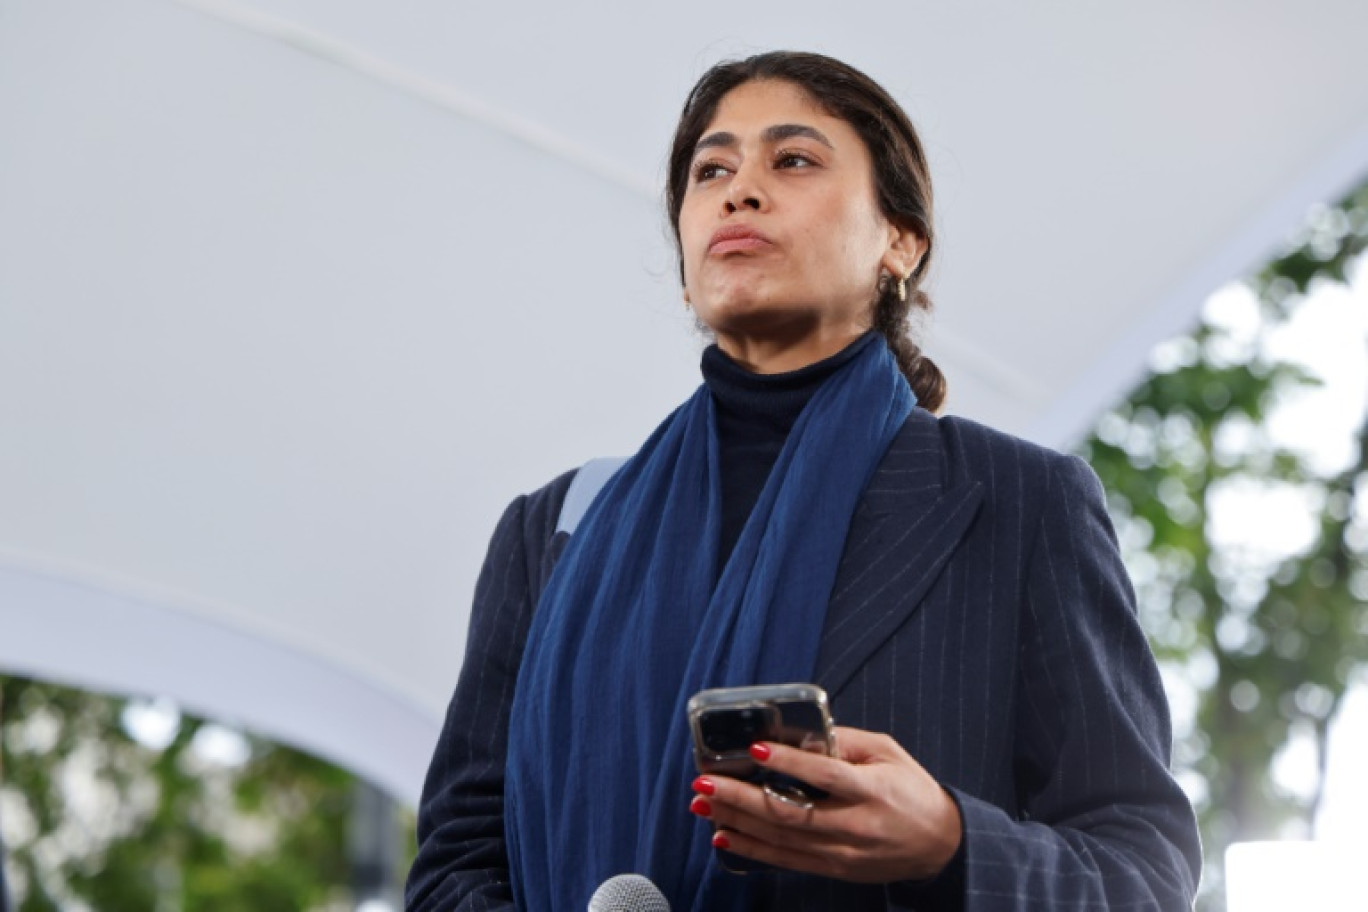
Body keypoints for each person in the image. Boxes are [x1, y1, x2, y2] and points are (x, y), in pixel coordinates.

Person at [405, 51, 1202, 911]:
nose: (739, 191)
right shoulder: (555, 530)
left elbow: (1144, 872)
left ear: (900, 242)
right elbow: (456, 864)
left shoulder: (1020, 501)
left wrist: (948, 842)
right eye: (712, 170)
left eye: (793, 160)